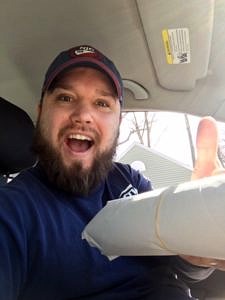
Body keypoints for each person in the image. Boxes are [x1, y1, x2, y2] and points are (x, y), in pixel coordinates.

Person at [0, 44, 223, 300]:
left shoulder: (129, 181)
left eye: (102, 103)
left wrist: (200, 240)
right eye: (65, 98)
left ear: (118, 122)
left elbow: (176, 268)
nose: (83, 115)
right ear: (41, 113)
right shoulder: (12, 210)